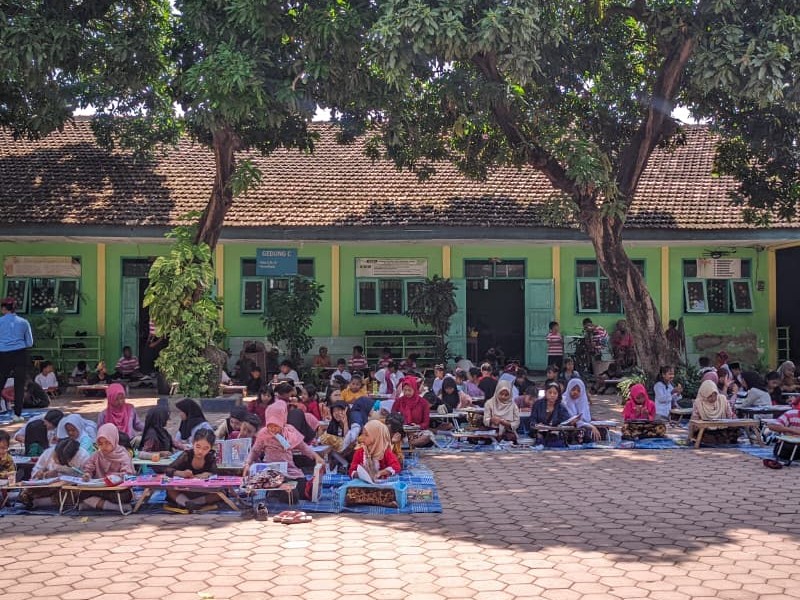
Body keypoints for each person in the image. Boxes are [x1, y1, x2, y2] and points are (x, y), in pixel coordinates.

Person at [244, 402, 325, 501]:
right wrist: (248, 462)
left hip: (289, 469)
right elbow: (255, 451)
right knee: (290, 494)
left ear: (282, 421)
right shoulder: (263, 434)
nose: (273, 429)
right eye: (270, 425)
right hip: (272, 472)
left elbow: (304, 447)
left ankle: (280, 492)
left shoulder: (289, 431)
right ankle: (275, 493)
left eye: (276, 425)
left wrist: (316, 457)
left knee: (302, 490)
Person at [17, 438, 90, 509]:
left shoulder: (83, 456)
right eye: (56, 456)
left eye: (60, 460)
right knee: (28, 491)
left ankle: (38, 502)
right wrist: (40, 474)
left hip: (68, 487)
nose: (56, 461)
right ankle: (29, 499)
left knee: (73, 494)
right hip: (48, 485)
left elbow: (85, 477)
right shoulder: (48, 453)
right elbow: (36, 471)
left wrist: (61, 476)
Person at [80, 423, 135, 511]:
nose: (104, 446)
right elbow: (89, 467)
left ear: (114, 440)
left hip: (116, 489)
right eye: (100, 444)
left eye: (107, 443)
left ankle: (97, 504)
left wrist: (113, 477)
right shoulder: (97, 455)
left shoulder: (123, 455)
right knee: (83, 494)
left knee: (124, 496)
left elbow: (127, 474)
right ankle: (115, 507)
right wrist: (87, 474)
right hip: (100, 488)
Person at [165, 428, 220, 511]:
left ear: (210, 448)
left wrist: (208, 474)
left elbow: (215, 473)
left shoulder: (210, 458)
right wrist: (181, 473)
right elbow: (168, 470)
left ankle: (194, 503)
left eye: (205, 448)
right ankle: (186, 503)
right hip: (185, 490)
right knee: (170, 490)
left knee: (220, 493)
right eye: (198, 447)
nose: (200, 451)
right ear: (193, 443)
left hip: (202, 492)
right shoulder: (187, 456)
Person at [0, 297, 34, 422]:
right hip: (20, 354)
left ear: (4, 308)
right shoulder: (24, 322)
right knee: (19, 385)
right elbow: (30, 342)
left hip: (3, 354)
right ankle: (17, 415)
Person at [689, 380, 738, 445]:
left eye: (715, 395)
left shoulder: (722, 399)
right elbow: (695, 420)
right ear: (704, 395)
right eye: (710, 396)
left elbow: (729, 415)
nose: (713, 398)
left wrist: (731, 423)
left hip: (722, 428)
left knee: (735, 430)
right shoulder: (698, 403)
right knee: (707, 438)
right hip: (706, 430)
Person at [392, 376, 433, 448]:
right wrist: (401, 426)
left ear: (414, 389)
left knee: (428, 435)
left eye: (409, 390)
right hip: (402, 431)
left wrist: (418, 426)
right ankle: (408, 443)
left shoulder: (423, 403)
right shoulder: (399, 401)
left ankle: (410, 443)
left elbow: (426, 422)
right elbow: (392, 417)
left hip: (418, 431)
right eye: (405, 390)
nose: (407, 392)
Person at [530, 382, 572, 447]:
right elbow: (532, 419)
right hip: (539, 433)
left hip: (555, 434)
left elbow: (566, 421)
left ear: (558, 395)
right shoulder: (537, 404)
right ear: (545, 393)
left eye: (555, 393)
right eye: (550, 392)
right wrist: (537, 425)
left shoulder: (561, 407)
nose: (552, 395)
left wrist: (569, 423)